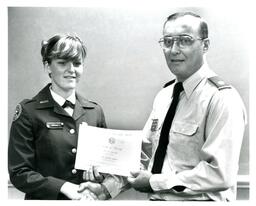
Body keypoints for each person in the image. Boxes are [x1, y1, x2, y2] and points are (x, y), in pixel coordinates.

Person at [78, 12, 247, 201]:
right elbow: (144, 155)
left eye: (184, 40)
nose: (174, 49)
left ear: (205, 45)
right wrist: (105, 189)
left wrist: (154, 182)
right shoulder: (164, 96)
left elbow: (219, 173)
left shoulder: (222, 99)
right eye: (167, 41)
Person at [8, 34, 107, 200]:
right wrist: (63, 187)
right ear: (48, 67)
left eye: (77, 63)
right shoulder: (29, 111)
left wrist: (100, 177)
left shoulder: (95, 111)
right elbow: (19, 173)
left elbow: (105, 163)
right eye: (62, 63)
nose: (71, 70)